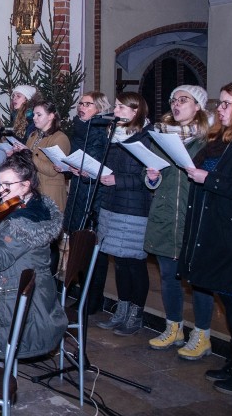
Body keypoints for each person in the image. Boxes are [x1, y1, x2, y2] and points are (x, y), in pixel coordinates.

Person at [179, 81, 232, 395]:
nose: (220, 110)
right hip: (214, 231)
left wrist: (210, 180)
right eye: (221, 103)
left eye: (227, 104)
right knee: (230, 306)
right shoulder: (224, 140)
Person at [0, 151, 67, 360]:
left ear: (26, 185)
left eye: (7, 185)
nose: (1, 190)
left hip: (12, 295)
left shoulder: (22, 222)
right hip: (16, 285)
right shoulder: (36, 205)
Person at [143, 85, 215, 359]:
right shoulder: (161, 137)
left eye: (183, 100)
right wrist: (150, 176)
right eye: (173, 100)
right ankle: (173, 327)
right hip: (164, 215)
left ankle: (203, 334)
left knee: (198, 279)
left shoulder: (209, 140)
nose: (176, 104)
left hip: (193, 215)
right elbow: (150, 178)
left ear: (197, 106)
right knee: (168, 277)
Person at [93, 92, 153, 336]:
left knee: (134, 263)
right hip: (112, 203)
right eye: (116, 106)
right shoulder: (113, 134)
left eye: (121, 107)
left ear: (136, 110)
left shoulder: (145, 137)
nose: (115, 110)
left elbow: (146, 176)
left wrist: (116, 179)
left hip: (134, 208)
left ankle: (135, 314)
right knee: (118, 262)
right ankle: (121, 309)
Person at [62, 91, 111, 233]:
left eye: (87, 104)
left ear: (99, 108)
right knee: (74, 230)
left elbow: (101, 160)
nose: (82, 107)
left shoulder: (102, 130)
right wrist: (68, 167)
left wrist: (85, 171)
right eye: (81, 104)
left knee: (87, 233)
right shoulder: (80, 127)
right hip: (78, 183)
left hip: (93, 188)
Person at [17, 101, 70, 212]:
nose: (34, 118)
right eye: (34, 114)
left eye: (39, 115)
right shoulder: (34, 135)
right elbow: (27, 162)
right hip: (33, 189)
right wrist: (18, 153)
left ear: (51, 116)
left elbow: (52, 170)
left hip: (49, 192)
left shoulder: (60, 138)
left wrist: (29, 154)